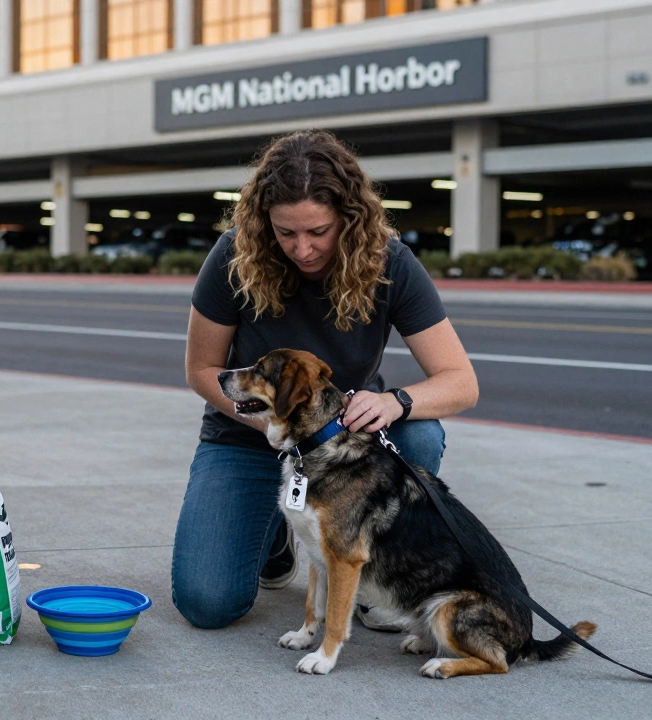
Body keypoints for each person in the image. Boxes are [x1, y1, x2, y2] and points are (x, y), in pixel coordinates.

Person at [172, 130, 479, 630]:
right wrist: (277, 430)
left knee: (419, 432)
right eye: (285, 232)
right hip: (249, 436)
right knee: (207, 603)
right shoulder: (234, 255)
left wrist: (396, 401)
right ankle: (277, 536)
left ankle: (369, 568)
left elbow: (460, 382)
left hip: (340, 445)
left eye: (318, 230)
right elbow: (201, 370)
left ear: (349, 218)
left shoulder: (389, 262)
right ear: (262, 222)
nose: (302, 248)